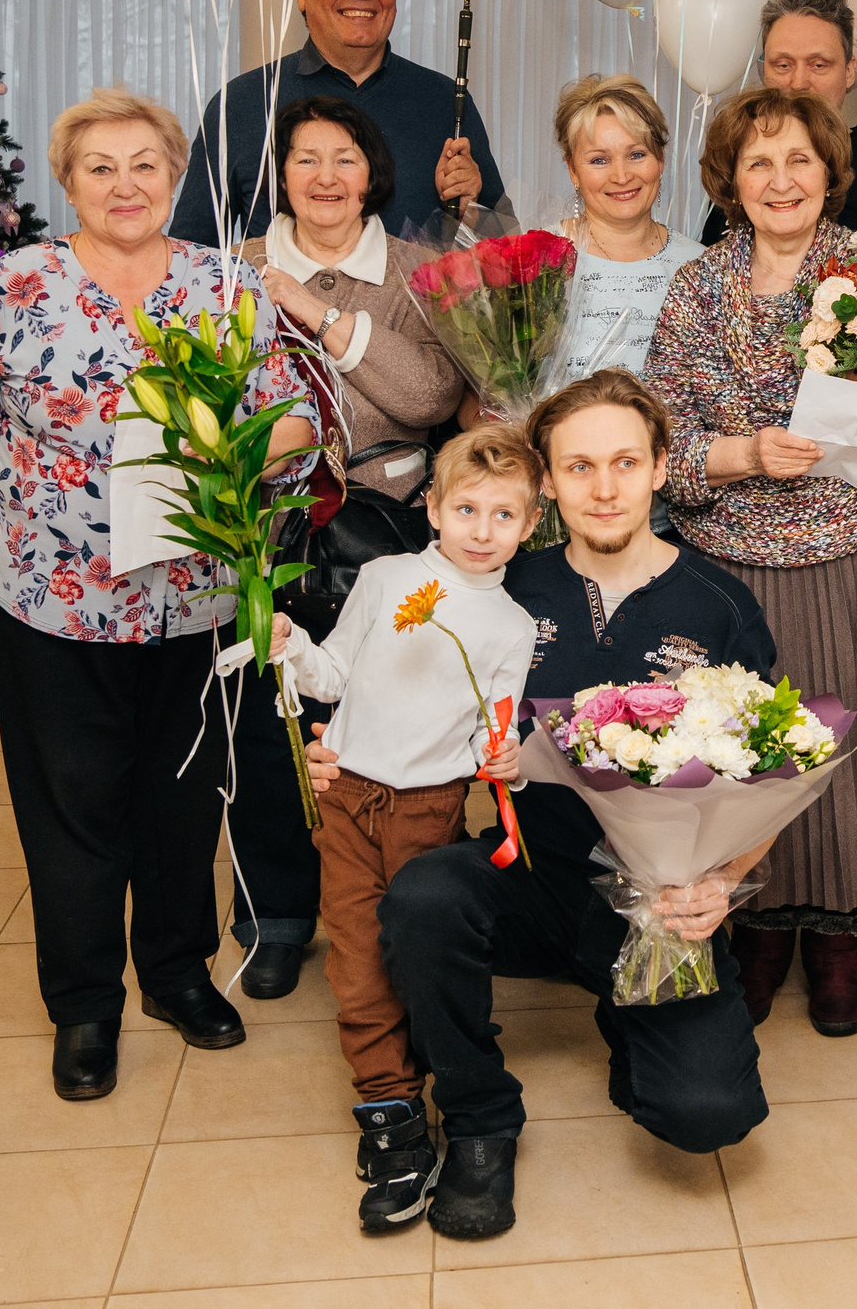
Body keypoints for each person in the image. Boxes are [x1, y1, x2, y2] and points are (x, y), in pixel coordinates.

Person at [0, 87, 317, 1102]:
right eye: (100, 165)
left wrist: (255, 447)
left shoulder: (227, 284)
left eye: (144, 163)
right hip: (54, 601)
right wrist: (36, 512)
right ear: (68, 180)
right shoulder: (12, 287)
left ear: (174, 175)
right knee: (74, 804)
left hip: (196, 596)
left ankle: (176, 975)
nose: (124, 183)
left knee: (183, 795)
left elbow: (291, 417)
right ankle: (85, 1003)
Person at [314, 371, 779, 1242]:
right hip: (529, 873)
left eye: (625, 462)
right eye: (578, 468)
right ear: (548, 486)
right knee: (421, 898)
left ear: (661, 469)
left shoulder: (718, 604)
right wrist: (333, 746)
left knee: (705, 1113)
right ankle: (482, 1116)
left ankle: (626, 1018)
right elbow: (382, 677)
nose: (604, 488)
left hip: (655, 908)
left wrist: (723, 880)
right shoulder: (498, 587)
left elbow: (773, 768)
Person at [645, 87, 857, 1036]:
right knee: (749, 757)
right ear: (730, 181)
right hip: (730, 565)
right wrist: (744, 453)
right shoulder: (696, 287)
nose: (779, 180)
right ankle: (755, 930)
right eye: (758, 163)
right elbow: (666, 440)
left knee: (847, 755)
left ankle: (838, 934)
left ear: (830, 172)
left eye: (798, 160)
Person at [213, 94, 468, 1002]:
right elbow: (201, 392)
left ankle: (399, 909)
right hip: (262, 532)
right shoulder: (228, 270)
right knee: (269, 727)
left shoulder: (417, 269)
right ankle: (274, 918)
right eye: (305, 158)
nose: (325, 177)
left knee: (386, 730)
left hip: (388, 532)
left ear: (373, 174)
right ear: (279, 174)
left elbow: (432, 394)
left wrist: (308, 309)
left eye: (345, 159)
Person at [257, 424, 539, 1234]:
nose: (482, 531)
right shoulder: (384, 579)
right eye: (467, 510)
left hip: (430, 808)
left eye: (504, 515)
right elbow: (335, 673)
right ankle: (390, 1114)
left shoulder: (511, 626)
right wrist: (292, 646)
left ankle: (442, 1082)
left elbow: (499, 731)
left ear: (529, 524)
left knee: (405, 955)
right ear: (434, 510)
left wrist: (508, 761)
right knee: (353, 960)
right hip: (348, 798)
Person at [170, 0, 504, 247]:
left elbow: (507, 246)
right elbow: (193, 251)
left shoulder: (444, 100)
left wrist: (472, 210)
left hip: (418, 301)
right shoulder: (243, 103)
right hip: (274, 300)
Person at [698, 0, 857, 247]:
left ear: (849, 71)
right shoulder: (741, 166)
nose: (799, 82)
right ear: (764, 70)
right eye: (783, 64)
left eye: (818, 65)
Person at [548, 72, 705, 382]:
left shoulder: (701, 266)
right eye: (599, 160)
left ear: (660, 160)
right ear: (572, 170)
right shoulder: (535, 259)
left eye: (636, 155)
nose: (621, 176)